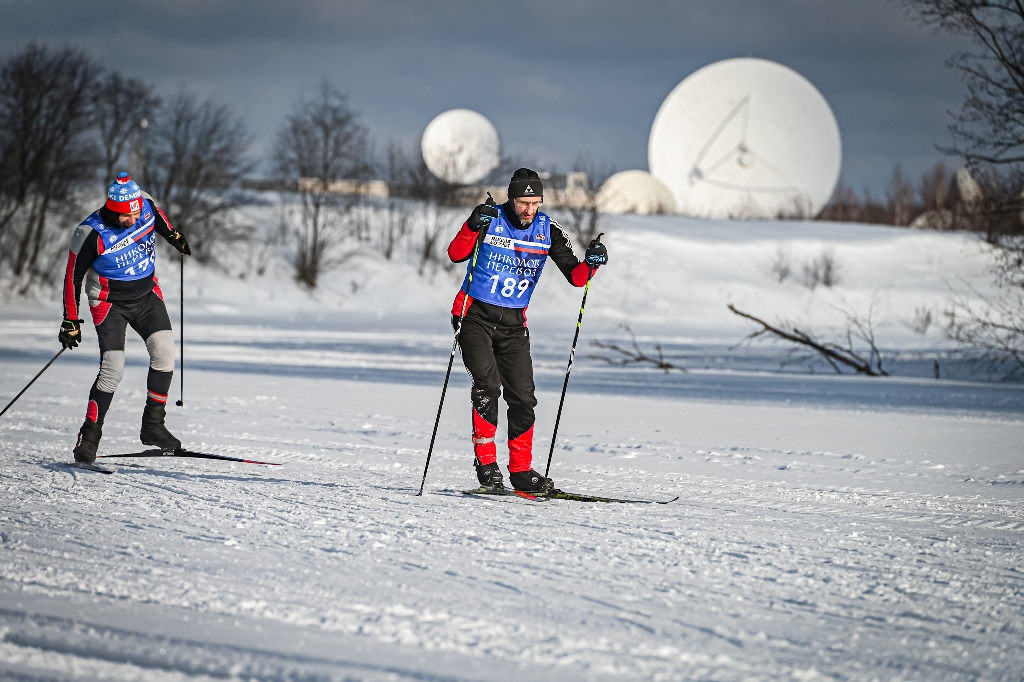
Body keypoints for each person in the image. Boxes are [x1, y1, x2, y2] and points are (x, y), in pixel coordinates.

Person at [447, 168, 608, 493]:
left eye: (535, 203)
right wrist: (471, 225)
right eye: (524, 202)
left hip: (513, 324)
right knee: (488, 386)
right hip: (473, 315)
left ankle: (521, 471)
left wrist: (592, 262)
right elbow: (455, 254)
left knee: (523, 398)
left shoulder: (547, 230)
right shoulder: (491, 218)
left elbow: (576, 277)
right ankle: (487, 464)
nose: (529, 210)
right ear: (512, 198)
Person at [59, 173, 191, 463]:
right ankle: (89, 437)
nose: (133, 220)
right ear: (112, 209)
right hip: (110, 303)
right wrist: (70, 319)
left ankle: (153, 427)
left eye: (135, 213)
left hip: (147, 296)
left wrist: (174, 236)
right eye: (125, 217)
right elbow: (73, 277)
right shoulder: (90, 233)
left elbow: (159, 220)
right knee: (113, 368)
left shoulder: (144, 206)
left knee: (165, 354)